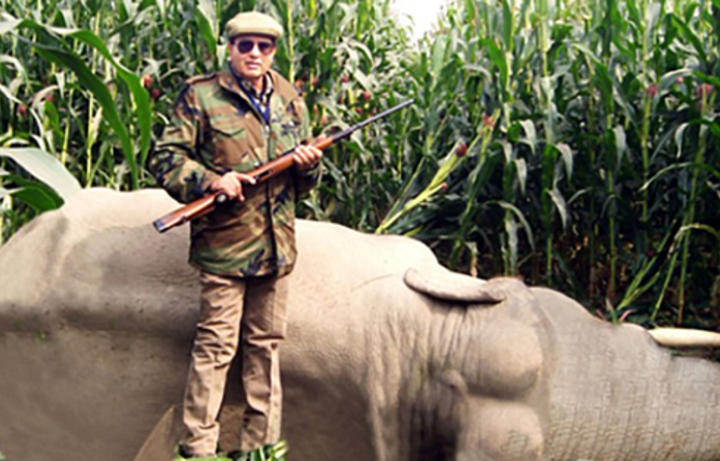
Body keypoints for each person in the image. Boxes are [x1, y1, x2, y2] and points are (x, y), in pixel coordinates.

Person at [149, 10, 323, 461]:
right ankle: (198, 449)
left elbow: (301, 186)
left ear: (274, 51)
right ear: (230, 48)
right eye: (245, 45)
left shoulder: (289, 98)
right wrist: (212, 181)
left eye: (264, 46)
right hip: (225, 248)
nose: (255, 54)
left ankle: (260, 448)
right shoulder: (201, 95)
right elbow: (165, 159)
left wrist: (309, 167)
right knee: (215, 349)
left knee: (266, 349)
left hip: (276, 248)